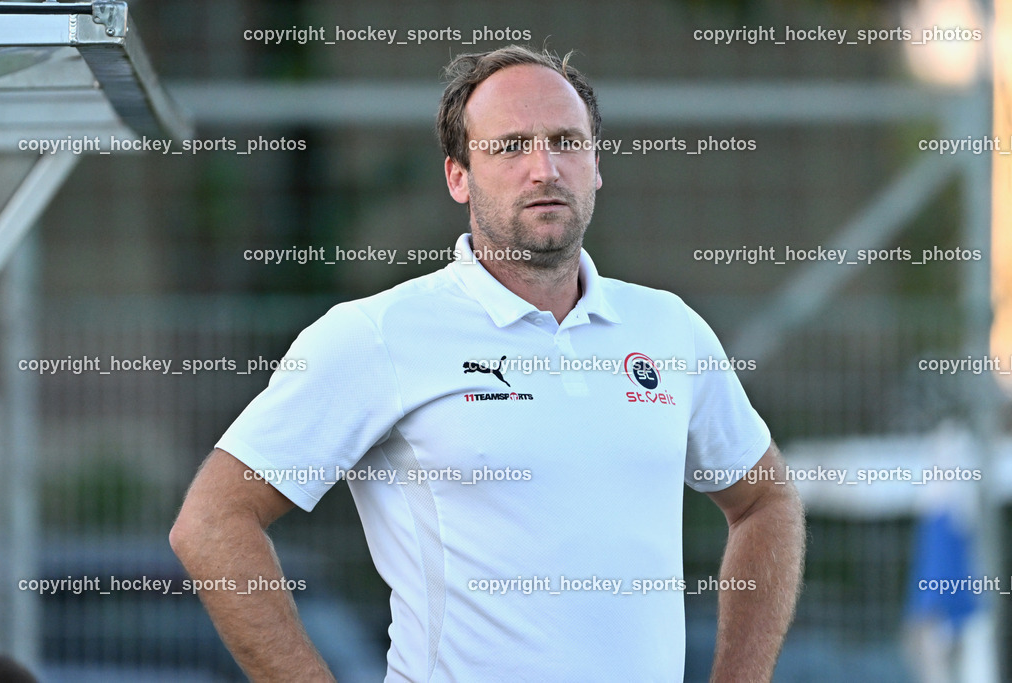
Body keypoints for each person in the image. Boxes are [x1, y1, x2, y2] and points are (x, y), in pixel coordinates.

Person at [170, 45, 805, 682]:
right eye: (511, 146)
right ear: (458, 176)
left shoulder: (670, 327)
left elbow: (765, 503)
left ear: (596, 165)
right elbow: (211, 523)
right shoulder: (377, 335)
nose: (545, 168)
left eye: (566, 141)